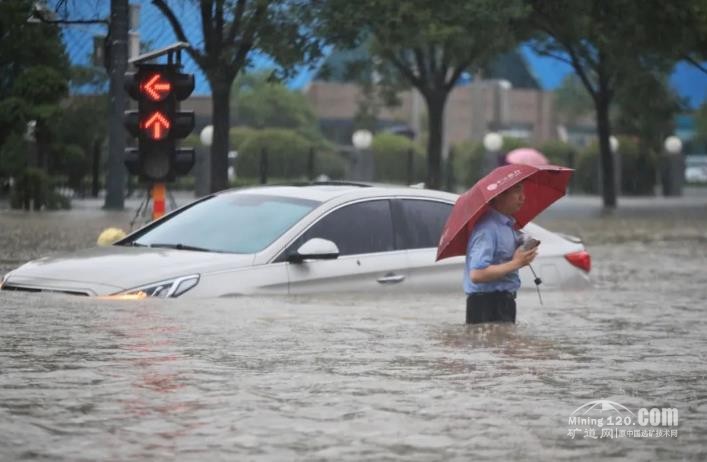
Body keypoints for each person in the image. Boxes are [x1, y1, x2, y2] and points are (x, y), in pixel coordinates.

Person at [464, 182, 538, 324]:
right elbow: (477, 274)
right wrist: (516, 263)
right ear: (499, 195)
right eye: (517, 191)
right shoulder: (487, 229)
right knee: (490, 346)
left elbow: (505, 261)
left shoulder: (508, 226)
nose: (523, 197)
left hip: (505, 301)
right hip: (485, 304)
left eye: (523, 191)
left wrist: (522, 255)